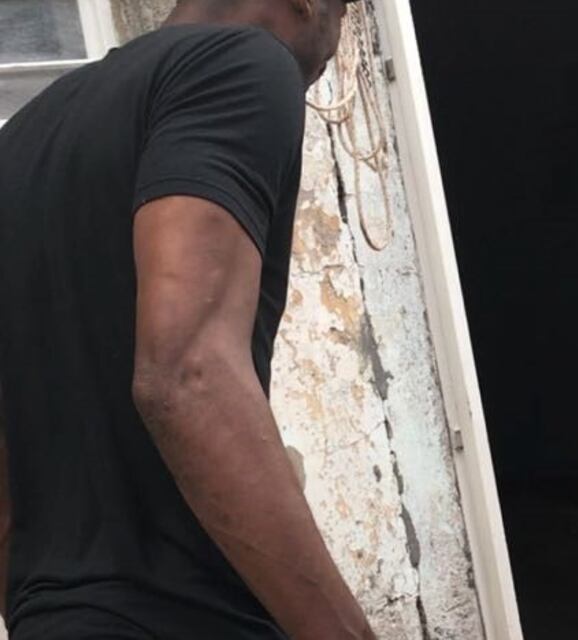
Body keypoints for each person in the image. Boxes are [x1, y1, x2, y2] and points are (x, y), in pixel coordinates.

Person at [0, 1, 375, 638]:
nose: (340, 41)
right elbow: (188, 375)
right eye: (346, 12)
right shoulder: (243, 66)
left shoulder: (23, 137)